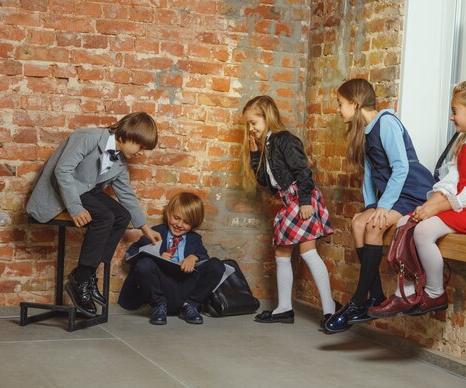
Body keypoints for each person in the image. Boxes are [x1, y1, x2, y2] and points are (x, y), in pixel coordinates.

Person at [368, 77, 466, 318]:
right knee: (404, 223)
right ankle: (405, 293)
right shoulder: (465, 143)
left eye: (455, 111)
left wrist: (442, 206)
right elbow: (452, 180)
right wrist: (430, 204)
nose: (451, 117)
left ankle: (434, 292)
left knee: (423, 232)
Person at [324, 79, 435, 334]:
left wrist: (383, 208)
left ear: (355, 103)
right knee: (358, 221)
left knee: (374, 226)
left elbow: (401, 167)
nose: (339, 110)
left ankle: (358, 300)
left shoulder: (386, 122)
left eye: (341, 104)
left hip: (412, 192)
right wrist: (371, 205)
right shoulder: (364, 131)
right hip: (392, 196)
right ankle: (374, 296)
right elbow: (368, 175)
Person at [27, 112, 161, 318]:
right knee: (106, 217)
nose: (141, 153)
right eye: (141, 146)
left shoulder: (120, 162)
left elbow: (126, 195)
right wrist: (75, 207)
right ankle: (81, 279)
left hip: (88, 191)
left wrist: (145, 228)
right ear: (128, 135)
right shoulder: (89, 137)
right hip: (62, 190)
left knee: (122, 216)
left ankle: (85, 274)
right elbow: (62, 171)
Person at [242, 95, 337, 326]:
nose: (251, 129)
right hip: (289, 202)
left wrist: (305, 201)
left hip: (302, 198)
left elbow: (303, 171)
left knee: (307, 252)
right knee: (284, 253)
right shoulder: (265, 145)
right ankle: (285, 308)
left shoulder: (284, 139)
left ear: (267, 117)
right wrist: (255, 154)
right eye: (249, 125)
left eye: (254, 123)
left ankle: (330, 310)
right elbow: (265, 181)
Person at [118, 192, 225, 325]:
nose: (179, 224)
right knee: (144, 264)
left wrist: (193, 257)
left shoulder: (195, 239)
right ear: (168, 213)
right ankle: (159, 306)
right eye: (176, 218)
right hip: (161, 287)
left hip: (184, 288)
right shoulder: (156, 232)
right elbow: (131, 253)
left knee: (217, 265)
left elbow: (204, 256)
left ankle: (190, 306)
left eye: (186, 222)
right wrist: (156, 256)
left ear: (194, 224)